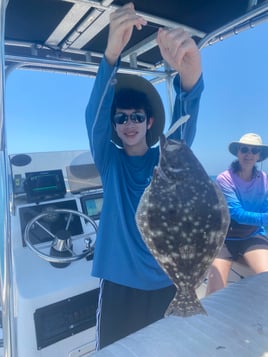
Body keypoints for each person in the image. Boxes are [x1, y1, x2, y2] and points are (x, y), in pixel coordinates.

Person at [85, 2, 204, 350]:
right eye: (120, 119)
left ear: (149, 122)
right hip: (119, 283)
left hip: (167, 277)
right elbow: (94, 117)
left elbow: (186, 122)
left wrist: (189, 76)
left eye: (136, 117)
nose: (129, 124)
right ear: (115, 127)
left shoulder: (168, 157)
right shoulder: (110, 162)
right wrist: (111, 54)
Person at [206, 133, 268, 295]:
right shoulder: (224, 179)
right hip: (224, 238)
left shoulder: (265, 180)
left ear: (259, 156)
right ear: (238, 152)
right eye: (245, 149)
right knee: (214, 293)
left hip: (253, 236)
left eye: (254, 151)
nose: (249, 154)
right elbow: (237, 214)